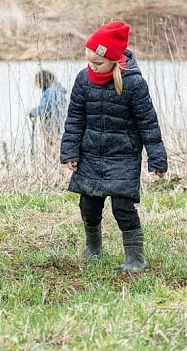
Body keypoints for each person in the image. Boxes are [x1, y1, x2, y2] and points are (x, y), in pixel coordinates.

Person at [60, 20, 167, 273]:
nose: (92, 67)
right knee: (88, 204)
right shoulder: (83, 80)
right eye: (89, 61)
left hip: (123, 157)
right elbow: (74, 118)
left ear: (115, 61)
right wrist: (70, 152)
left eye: (98, 62)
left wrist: (157, 160)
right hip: (90, 154)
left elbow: (148, 124)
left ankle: (135, 258)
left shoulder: (134, 84)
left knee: (123, 207)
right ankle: (93, 247)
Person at [28, 68, 67, 138]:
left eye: (38, 83)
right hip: (60, 125)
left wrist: (34, 112)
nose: (38, 86)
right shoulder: (59, 91)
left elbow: (46, 108)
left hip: (51, 127)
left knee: (50, 146)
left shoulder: (49, 92)